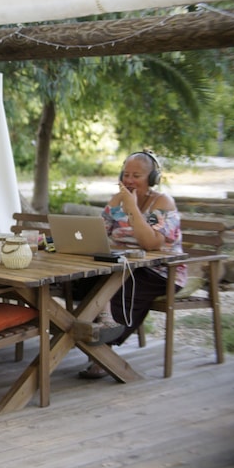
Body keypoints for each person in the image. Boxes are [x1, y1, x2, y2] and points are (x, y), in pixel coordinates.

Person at [78, 150, 187, 379]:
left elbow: (151, 243)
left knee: (121, 287)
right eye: (126, 174)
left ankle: (103, 351)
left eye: (136, 175)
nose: (129, 180)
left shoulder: (162, 203)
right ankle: (84, 333)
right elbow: (98, 233)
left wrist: (132, 208)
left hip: (158, 271)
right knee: (80, 282)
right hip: (121, 265)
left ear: (152, 178)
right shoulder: (117, 200)